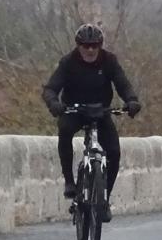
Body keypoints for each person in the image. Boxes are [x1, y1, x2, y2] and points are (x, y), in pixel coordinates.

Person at [42, 23, 141, 220]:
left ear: (100, 45)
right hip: (74, 110)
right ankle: (70, 182)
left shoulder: (109, 61)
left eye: (94, 46)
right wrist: (54, 103)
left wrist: (131, 100)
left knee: (113, 152)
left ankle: (103, 201)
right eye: (85, 46)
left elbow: (122, 83)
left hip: (100, 111)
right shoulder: (68, 62)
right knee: (64, 130)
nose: (90, 50)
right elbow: (50, 88)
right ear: (78, 46)